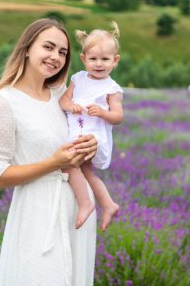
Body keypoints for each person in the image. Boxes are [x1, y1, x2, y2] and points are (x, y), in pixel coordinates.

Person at [0, 18, 98, 286]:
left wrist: (92, 145)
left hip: (77, 213)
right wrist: (52, 163)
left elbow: (83, 141)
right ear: (27, 48)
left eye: (63, 52)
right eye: (49, 47)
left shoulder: (63, 99)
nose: (56, 56)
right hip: (38, 213)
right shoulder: (4, 102)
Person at [59, 21, 123, 232]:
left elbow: (118, 116)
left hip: (92, 138)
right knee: (86, 172)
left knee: (68, 163)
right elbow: (64, 101)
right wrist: (72, 105)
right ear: (84, 59)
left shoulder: (111, 88)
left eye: (105, 59)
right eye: (93, 59)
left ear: (115, 61)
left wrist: (104, 112)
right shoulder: (78, 79)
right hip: (76, 131)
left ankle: (86, 203)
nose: (98, 64)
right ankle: (108, 204)